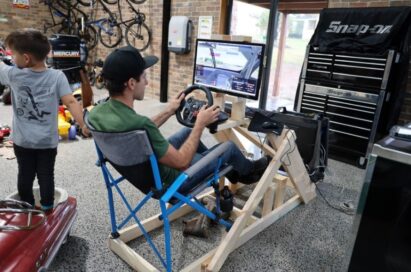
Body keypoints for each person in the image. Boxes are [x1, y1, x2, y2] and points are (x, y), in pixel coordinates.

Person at [88, 45, 269, 194]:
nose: (147, 83)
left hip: (144, 171)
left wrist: (168, 111)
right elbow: (182, 162)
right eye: (144, 77)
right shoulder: (140, 124)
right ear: (131, 83)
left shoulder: (96, 113)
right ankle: (247, 172)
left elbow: (139, 131)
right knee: (227, 147)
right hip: (171, 183)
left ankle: (223, 166)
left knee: (187, 132)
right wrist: (200, 123)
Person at [0, 29, 90, 211]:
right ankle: (48, 208)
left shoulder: (13, 74)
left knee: (24, 176)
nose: (12, 58)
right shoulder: (57, 76)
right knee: (46, 176)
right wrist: (82, 124)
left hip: (22, 142)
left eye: (13, 54)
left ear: (25, 58)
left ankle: (27, 209)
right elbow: (71, 101)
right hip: (47, 143)